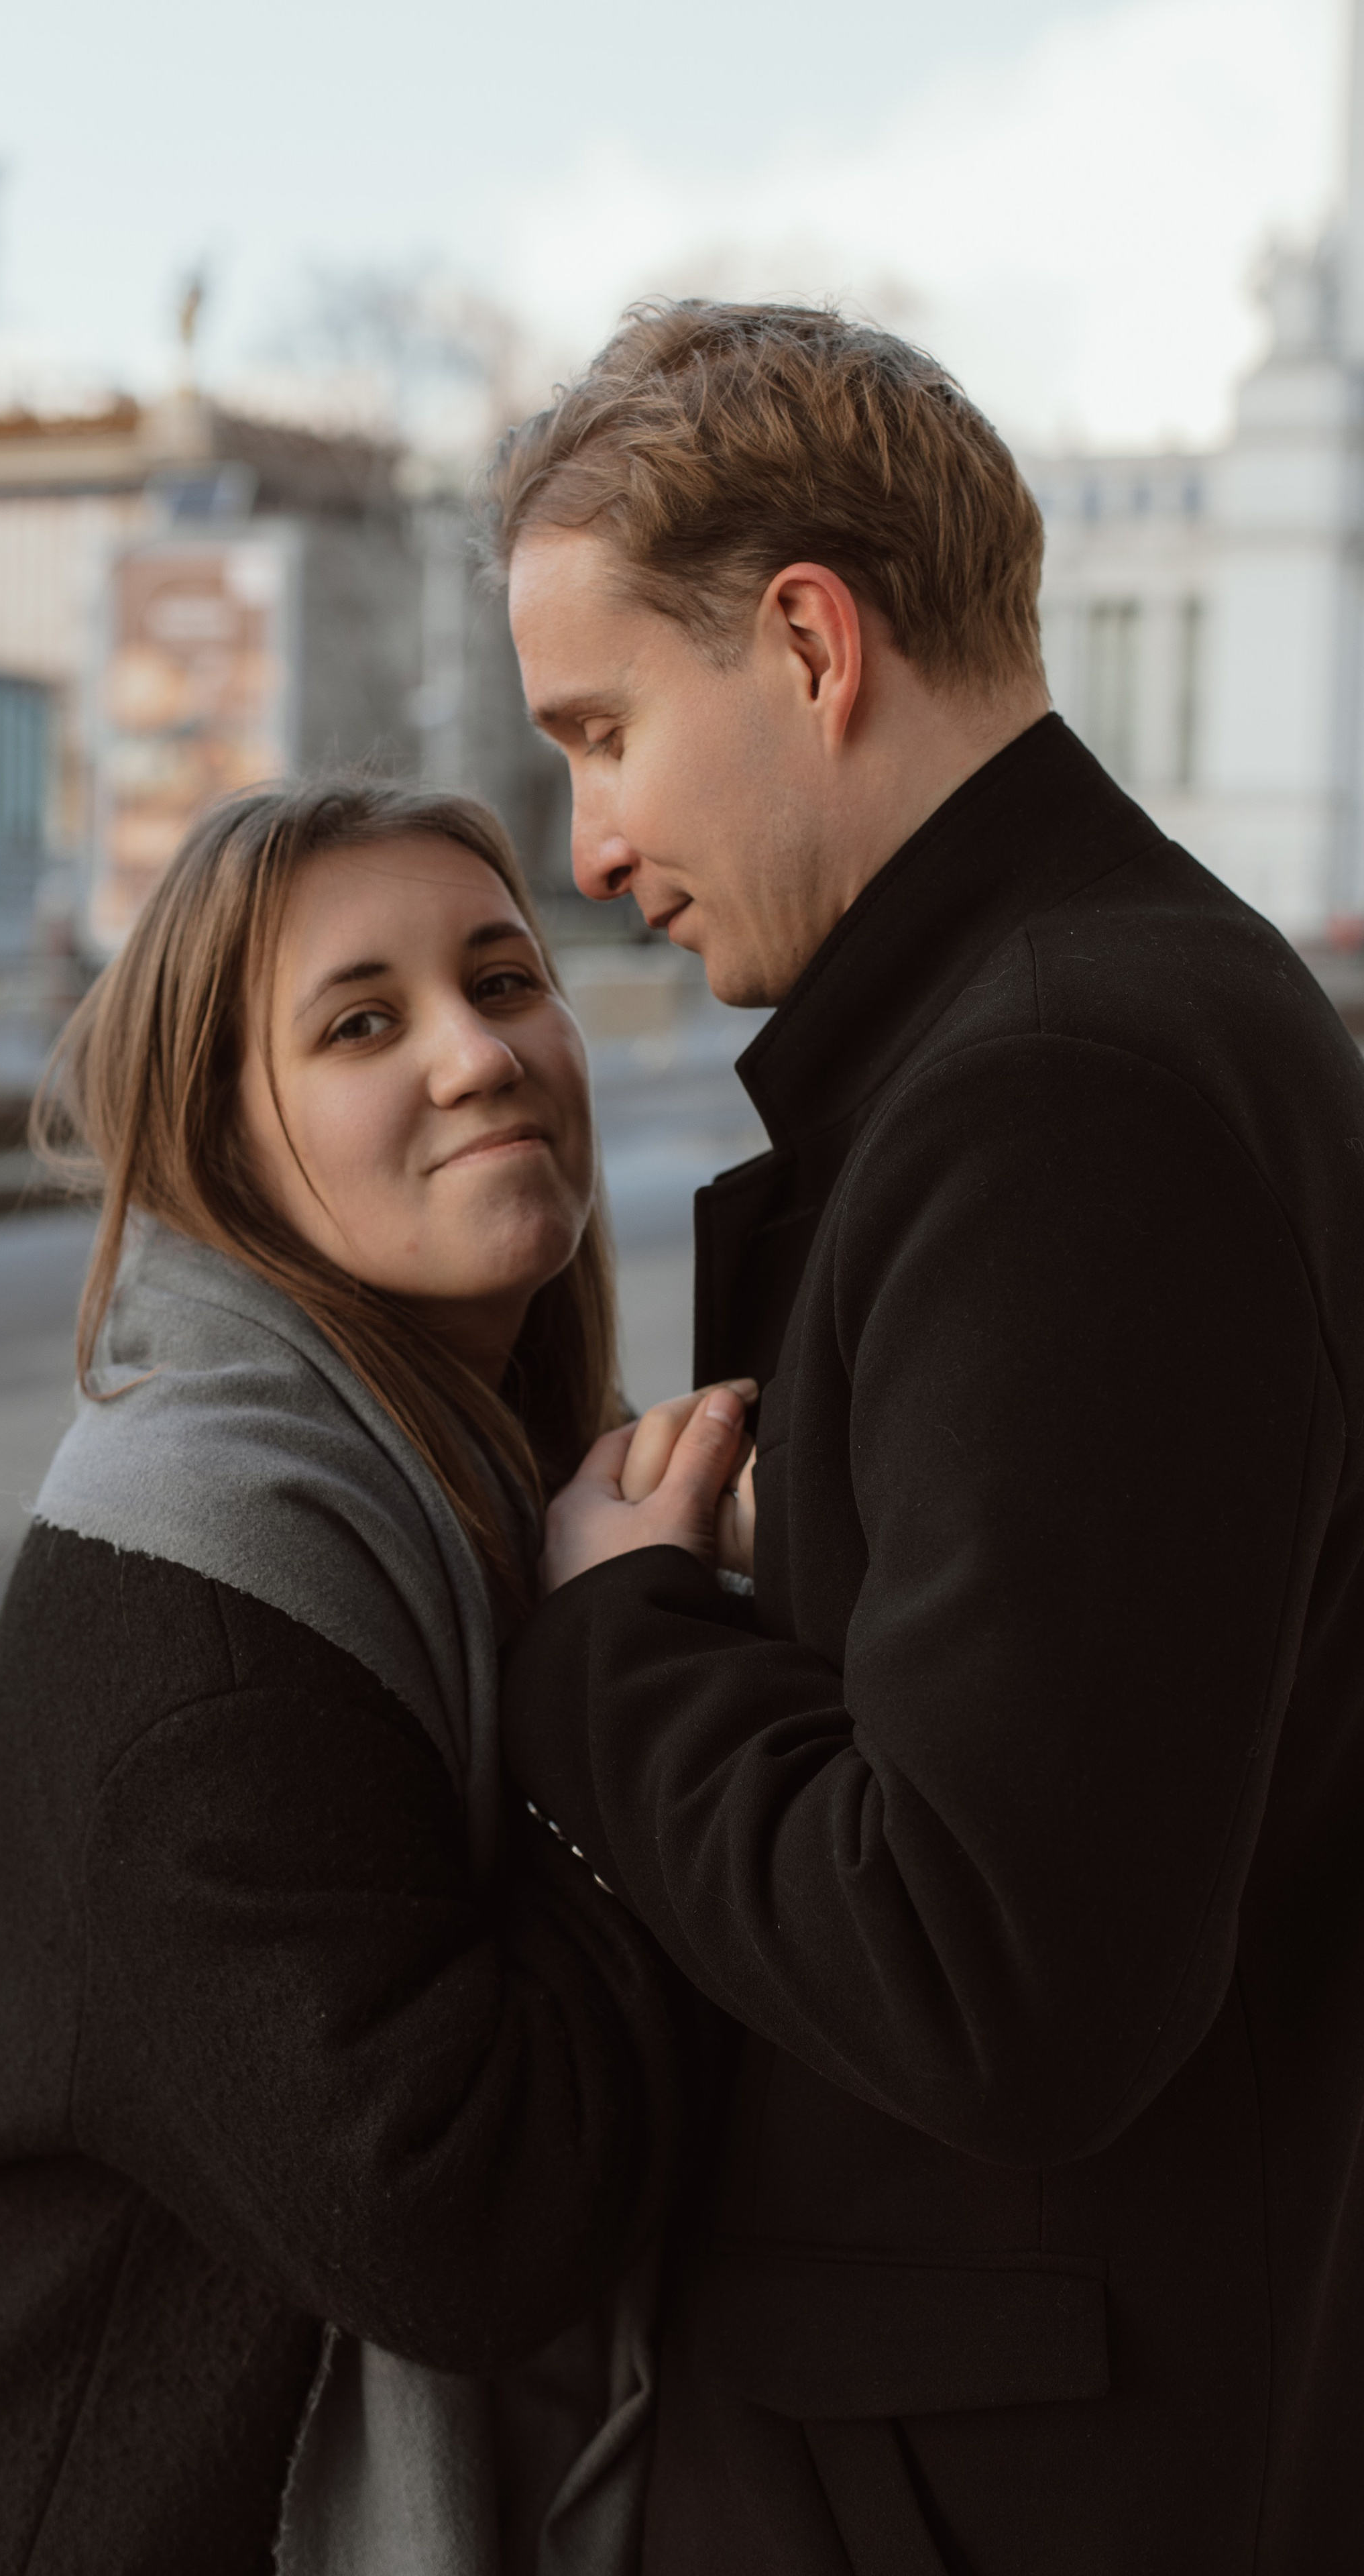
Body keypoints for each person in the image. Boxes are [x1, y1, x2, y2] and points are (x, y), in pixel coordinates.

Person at [490, 299, 1364, 2573]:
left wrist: (630, 1632)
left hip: (988, 2473)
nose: (588, 845)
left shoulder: (1057, 1101)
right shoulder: (1141, 1006)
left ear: (805, 642)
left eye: (602, 732)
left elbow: (996, 1983)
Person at [0, 781, 696, 2576]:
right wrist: (624, 1670)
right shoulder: (205, 1590)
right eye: (365, 1021)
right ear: (225, 1149)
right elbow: (458, 2217)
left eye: (505, 982)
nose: (478, 1053)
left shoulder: (485, 1485)